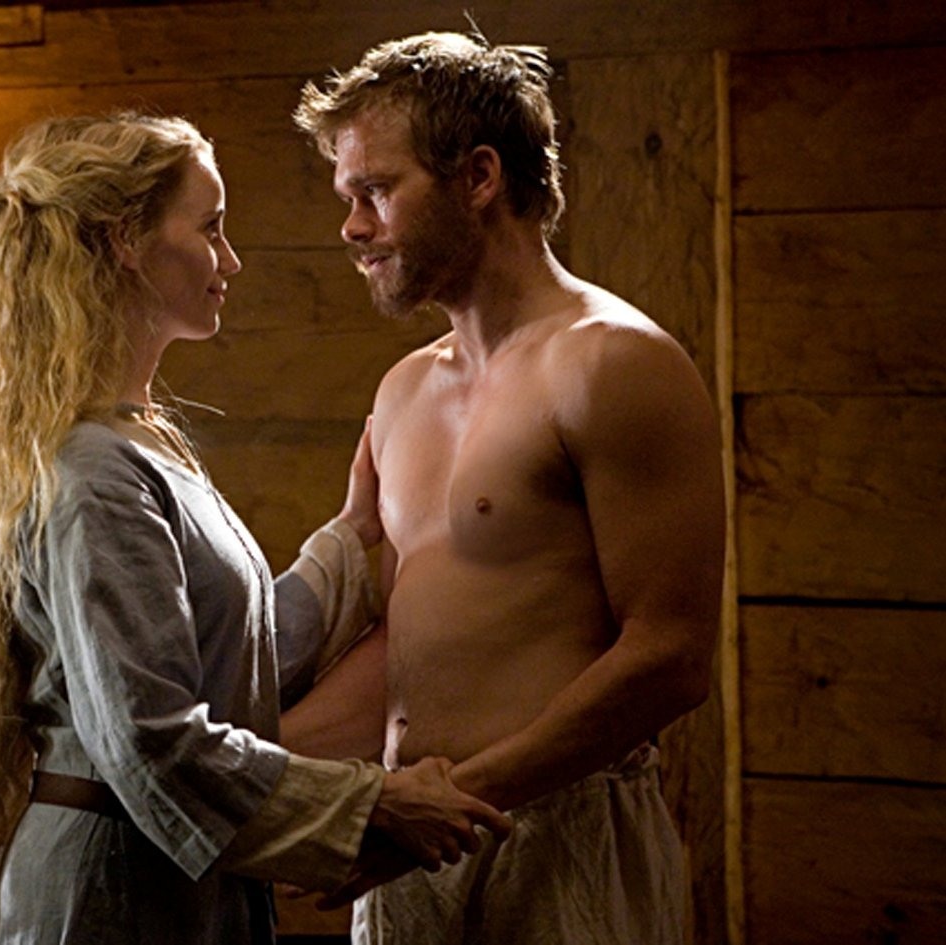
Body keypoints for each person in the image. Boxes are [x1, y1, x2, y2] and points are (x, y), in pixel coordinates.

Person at [0, 113, 512, 945]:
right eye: (210, 228)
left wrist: (352, 540)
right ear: (125, 241)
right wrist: (372, 803)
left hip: (166, 881)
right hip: (112, 892)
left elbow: (225, 661)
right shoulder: (93, 469)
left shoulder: (136, 440)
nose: (229, 260)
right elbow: (152, 739)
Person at [285, 26, 726, 944]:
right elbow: (407, 646)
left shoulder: (612, 363)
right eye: (347, 198)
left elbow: (670, 654)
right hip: (417, 831)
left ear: (478, 176)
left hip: (558, 830)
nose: (353, 227)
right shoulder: (403, 391)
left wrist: (455, 801)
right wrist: (257, 785)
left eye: (375, 191)